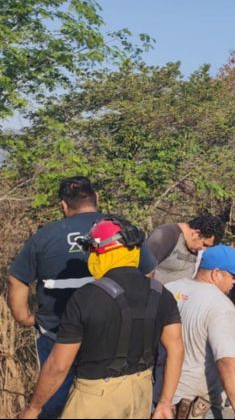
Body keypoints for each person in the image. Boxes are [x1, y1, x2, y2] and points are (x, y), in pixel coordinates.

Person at [7, 177, 156, 418]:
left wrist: (24, 316)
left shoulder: (45, 236)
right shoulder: (121, 232)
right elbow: (147, 273)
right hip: (111, 337)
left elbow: (17, 278)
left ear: (63, 206)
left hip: (55, 333)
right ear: (96, 198)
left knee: (53, 399)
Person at [18, 216, 184, 419]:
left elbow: (58, 366)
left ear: (101, 251)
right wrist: (165, 402)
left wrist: (34, 407)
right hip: (140, 393)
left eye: (90, 250)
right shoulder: (161, 293)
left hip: (95, 397)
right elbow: (176, 348)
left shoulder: (85, 297)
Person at [165, 244, 235, 419]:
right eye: (233, 275)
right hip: (196, 405)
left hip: (163, 400)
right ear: (216, 273)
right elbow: (229, 362)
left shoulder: (169, 289)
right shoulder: (220, 305)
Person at [146, 215, 225, 284]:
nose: (203, 249)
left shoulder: (193, 246)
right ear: (196, 233)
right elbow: (145, 269)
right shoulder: (166, 235)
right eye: (204, 244)